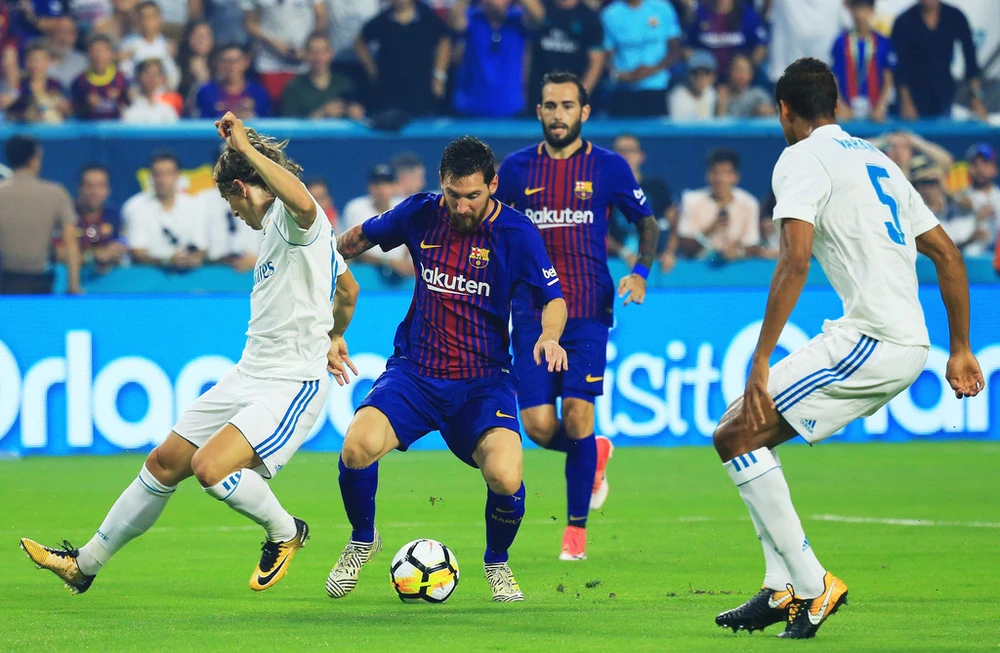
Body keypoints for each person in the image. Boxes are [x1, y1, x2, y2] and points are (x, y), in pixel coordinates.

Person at [20, 111, 360, 595]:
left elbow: (304, 205)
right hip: (249, 375)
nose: (235, 214)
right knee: (164, 462)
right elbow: (347, 290)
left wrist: (243, 148)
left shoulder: (293, 220)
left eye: (230, 201)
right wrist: (333, 334)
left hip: (289, 385)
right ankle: (85, 565)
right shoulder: (279, 236)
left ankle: (286, 531)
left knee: (211, 469)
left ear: (242, 187)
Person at [713, 57, 985, 640]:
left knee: (734, 437)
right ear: (836, 107)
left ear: (785, 112)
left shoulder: (800, 157)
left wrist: (761, 356)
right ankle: (779, 585)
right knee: (741, 429)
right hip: (891, 336)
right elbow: (949, 254)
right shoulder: (877, 158)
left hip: (875, 338)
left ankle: (812, 586)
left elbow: (794, 258)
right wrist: (959, 348)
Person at [326, 136, 568, 603]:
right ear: (442, 184)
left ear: (492, 186)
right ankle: (362, 540)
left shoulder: (516, 234)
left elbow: (553, 298)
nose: (460, 206)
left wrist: (549, 336)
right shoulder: (420, 212)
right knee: (357, 446)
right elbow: (353, 242)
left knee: (505, 476)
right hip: (415, 372)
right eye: (452, 194)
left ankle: (496, 562)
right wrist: (317, 263)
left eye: (472, 196)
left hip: (482, 383)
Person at [494, 72, 658, 561]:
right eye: (550, 105)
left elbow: (646, 222)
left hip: (587, 307)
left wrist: (641, 271)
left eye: (568, 105)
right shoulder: (517, 170)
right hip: (531, 311)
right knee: (542, 426)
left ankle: (575, 535)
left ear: (584, 113)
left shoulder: (609, 168)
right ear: (539, 112)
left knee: (578, 413)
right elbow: (496, 232)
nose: (558, 114)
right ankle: (595, 455)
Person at [0, 135, 82, 294]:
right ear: (33, 160)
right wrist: (73, 285)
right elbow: (70, 242)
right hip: (39, 282)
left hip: (5, 281)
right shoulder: (56, 194)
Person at [891, 0, 986, 120]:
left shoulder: (955, 16)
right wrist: (906, 101)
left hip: (943, 94)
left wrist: (976, 98)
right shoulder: (904, 21)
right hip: (912, 94)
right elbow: (899, 65)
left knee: (944, 135)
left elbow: (970, 59)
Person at [355, 0, 450, 118]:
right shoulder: (381, 21)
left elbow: (445, 40)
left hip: (423, 92)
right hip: (390, 95)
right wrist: (372, 70)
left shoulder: (428, 19)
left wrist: (439, 75)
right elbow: (359, 43)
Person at [449, 0, 544, 118]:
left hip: (510, 108)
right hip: (469, 107)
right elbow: (454, 21)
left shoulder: (518, 19)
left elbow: (538, 16)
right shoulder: (472, 17)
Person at [122, 151, 208, 270]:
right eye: (157, 174)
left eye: (168, 174)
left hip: (188, 276)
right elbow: (137, 252)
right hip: (147, 277)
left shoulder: (194, 205)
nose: (162, 180)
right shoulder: (135, 207)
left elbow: (201, 247)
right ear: (151, 176)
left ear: (178, 175)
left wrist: (191, 258)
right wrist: (167, 261)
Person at [601, 0, 682, 117]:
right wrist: (617, 75)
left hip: (656, 88)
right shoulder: (610, 14)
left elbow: (675, 50)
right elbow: (605, 54)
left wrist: (651, 70)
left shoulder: (662, 8)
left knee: (656, 133)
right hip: (623, 90)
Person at [609, 133, 677, 272]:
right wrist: (625, 254)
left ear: (641, 156)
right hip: (615, 264)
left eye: (631, 150)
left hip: (655, 264)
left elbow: (674, 225)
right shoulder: (602, 190)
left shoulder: (657, 187)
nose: (625, 155)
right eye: (620, 151)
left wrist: (670, 252)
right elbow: (597, 230)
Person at [676, 148, 759, 261]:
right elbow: (686, 247)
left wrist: (737, 252)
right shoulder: (691, 201)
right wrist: (709, 230)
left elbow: (752, 244)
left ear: (735, 177)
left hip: (736, 271)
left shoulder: (749, 203)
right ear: (707, 175)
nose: (719, 179)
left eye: (725, 173)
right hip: (697, 270)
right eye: (715, 172)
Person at [242, 0, 328, 102]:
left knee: (302, 102)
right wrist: (278, 46)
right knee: (273, 103)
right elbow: (250, 24)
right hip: (270, 62)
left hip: (302, 60)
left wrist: (308, 49)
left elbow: (321, 17)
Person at [340, 164, 413, 281]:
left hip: (404, 275)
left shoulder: (404, 206)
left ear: (395, 186)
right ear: (369, 187)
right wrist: (390, 263)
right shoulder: (355, 208)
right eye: (376, 184)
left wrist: (404, 262)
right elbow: (351, 247)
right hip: (365, 273)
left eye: (386, 183)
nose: (381, 188)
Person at [830, 0, 896, 122]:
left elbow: (889, 79)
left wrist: (881, 107)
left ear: (872, 11)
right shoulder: (840, 42)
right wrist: (841, 106)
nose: (859, 15)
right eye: (856, 9)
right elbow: (834, 78)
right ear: (850, 11)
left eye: (864, 9)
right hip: (847, 114)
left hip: (876, 114)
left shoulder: (883, 42)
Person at [60, 164, 127, 273]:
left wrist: (113, 252)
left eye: (101, 186)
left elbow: (119, 247)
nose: (95, 192)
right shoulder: (66, 214)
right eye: (89, 186)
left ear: (108, 190)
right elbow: (58, 254)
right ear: (79, 188)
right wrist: (93, 257)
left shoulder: (114, 215)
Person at [528, 0, 605, 95]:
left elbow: (596, 63)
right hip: (538, 93)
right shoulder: (540, 11)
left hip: (570, 94)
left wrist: (581, 95)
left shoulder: (589, 17)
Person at [280, 32, 363, 119]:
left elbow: (359, 116)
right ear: (305, 54)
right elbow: (290, 128)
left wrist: (356, 114)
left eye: (323, 52)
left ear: (331, 54)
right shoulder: (294, 87)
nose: (318, 57)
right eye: (313, 52)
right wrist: (322, 113)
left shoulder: (345, 83)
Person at [685, 0, 768, 81]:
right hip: (707, 78)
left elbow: (761, 47)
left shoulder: (748, 15)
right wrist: (699, 71)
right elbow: (687, 48)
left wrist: (746, 71)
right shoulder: (699, 14)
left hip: (740, 79)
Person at [194, 43, 271, 118]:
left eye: (236, 61)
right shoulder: (206, 92)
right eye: (226, 61)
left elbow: (268, 122)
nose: (231, 66)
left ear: (246, 62)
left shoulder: (258, 92)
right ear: (218, 64)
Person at [120, 1, 180, 89]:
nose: (147, 21)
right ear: (138, 20)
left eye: (151, 17)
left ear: (159, 19)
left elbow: (173, 75)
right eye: (143, 17)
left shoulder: (167, 45)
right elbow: (125, 72)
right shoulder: (128, 44)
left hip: (163, 95)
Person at [7, 41, 71, 123]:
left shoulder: (56, 85)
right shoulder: (18, 86)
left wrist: (64, 108)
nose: (36, 65)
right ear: (26, 62)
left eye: (40, 60)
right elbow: (8, 113)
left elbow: (69, 111)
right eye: (32, 60)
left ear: (48, 62)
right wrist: (23, 116)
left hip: (54, 132)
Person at [70, 34, 129, 120]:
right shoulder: (80, 82)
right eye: (94, 51)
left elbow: (130, 105)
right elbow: (72, 110)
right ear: (88, 55)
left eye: (103, 51)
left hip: (115, 130)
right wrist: (87, 106)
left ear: (111, 54)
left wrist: (123, 98)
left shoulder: (121, 79)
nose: (98, 56)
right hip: (89, 131)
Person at [956, 143, 1000, 251]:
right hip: (966, 259)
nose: (979, 169)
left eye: (985, 163)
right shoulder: (959, 197)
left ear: (995, 169)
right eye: (975, 164)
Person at [122, 58, 181, 123]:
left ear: (162, 78)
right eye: (147, 73)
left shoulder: (167, 108)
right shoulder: (131, 109)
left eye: (155, 73)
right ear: (139, 77)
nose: (152, 78)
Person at [717, 52, 773, 118]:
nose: (741, 76)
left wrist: (764, 111)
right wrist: (722, 104)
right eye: (737, 70)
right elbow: (719, 125)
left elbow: (772, 116)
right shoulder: (719, 95)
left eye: (744, 71)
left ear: (751, 75)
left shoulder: (759, 95)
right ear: (729, 72)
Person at [668, 49, 718, 120]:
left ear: (713, 76)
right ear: (688, 75)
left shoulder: (712, 94)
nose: (701, 78)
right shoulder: (677, 96)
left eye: (706, 73)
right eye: (695, 73)